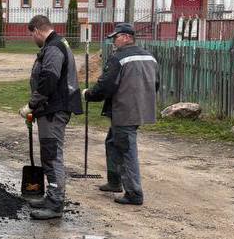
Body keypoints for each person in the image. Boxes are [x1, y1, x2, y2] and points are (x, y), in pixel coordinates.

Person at [85, 23, 159, 206]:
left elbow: (106, 85)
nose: (114, 41)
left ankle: (134, 193)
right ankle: (114, 181)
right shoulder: (149, 57)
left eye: (116, 37)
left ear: (126, 37)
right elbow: (156, 83)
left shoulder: (119, 58)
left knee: (126, 149)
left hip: (125, 110)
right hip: (142, 108)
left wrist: (89, 95)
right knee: (112, 142)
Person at [18, 14, 83, 220]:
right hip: (51, 108)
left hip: (54, 109)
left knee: (52, 154)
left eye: (32, 35)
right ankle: (51, 197)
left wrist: (32, 104)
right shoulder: (57, 44)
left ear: (37, 30)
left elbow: (50, 78)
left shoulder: (54, 47)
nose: (32, 39)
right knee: (49, 153)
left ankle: (55, 204)